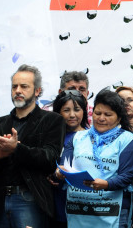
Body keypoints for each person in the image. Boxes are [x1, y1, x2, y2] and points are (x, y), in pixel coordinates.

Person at [0, 64, 65, 228]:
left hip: (30, 199)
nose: (18, 90)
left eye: (24, 86)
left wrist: (16, 149)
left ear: (37, 91)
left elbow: (50, 158)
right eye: (14, 86)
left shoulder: (53, 120)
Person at [56, 90, 133, 227]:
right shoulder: (78, 137)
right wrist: (59, 172)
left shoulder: (127, 139)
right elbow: (64, 165)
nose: (101, 118)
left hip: (111, 211)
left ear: (118, 118)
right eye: (97, 113)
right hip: (78, 210)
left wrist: (106, 184)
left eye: (108, 114)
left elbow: (127, 176)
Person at [49, 90, 89, 228]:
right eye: (66, 110)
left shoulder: (92, 137)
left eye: (77, 109)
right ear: (58, 112)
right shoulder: (52, 138)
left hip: (84, 204)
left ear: (84, 111)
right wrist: (50, 173)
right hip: (56, 201)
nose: (72, 115)